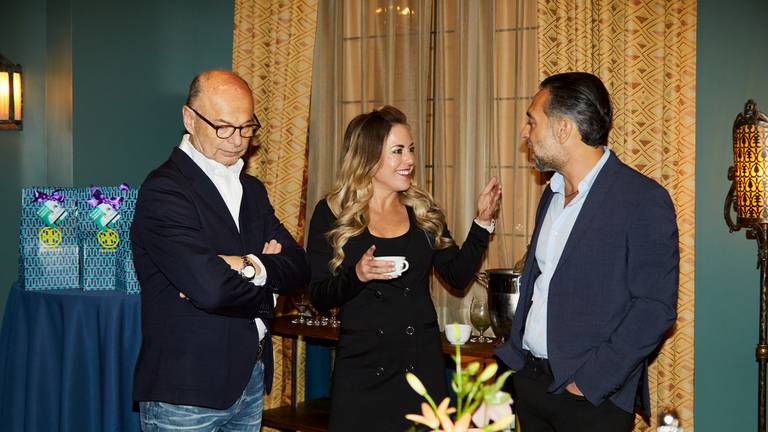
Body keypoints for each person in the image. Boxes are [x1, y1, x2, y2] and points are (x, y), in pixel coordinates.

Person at [494, 72, 679, 431]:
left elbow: (655, 307)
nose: (524, 132)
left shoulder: (643, 199)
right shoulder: (550, 193)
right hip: (531, 383)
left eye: (532, 120)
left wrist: (591, 382)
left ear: (564, 128)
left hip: (592, 399)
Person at [131, 70, 309, 431]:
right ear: (189, 119)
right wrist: (270, 292)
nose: (237, 140)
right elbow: (210, 288)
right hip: (188, 389)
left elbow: (300, 266)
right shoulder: (164, 191)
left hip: (250, 377)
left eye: (247, 127)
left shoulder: (253, 189)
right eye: (223, 127)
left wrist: (247, 266)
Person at [306, 105, 502, 431]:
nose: (409, 160)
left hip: (420, 370)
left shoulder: (422, 211)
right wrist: (357, 275)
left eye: (410, 150)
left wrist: (482, 223)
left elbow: (457, 275)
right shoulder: (331, 212)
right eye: (397, 151)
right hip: (363, 372)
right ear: (367, 158)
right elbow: (319, 295)